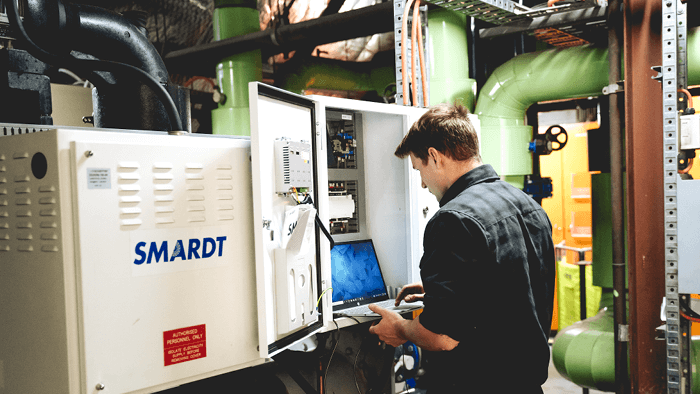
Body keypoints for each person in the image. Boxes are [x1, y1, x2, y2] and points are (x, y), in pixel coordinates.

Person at [368, 103, 555, 393]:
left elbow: (441, 336)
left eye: (419, 170)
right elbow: (514, 289)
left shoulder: (452, 220)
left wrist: (400, 328)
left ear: (434, 156)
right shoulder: (528, 206)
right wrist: (445, 294)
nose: (421, 183)